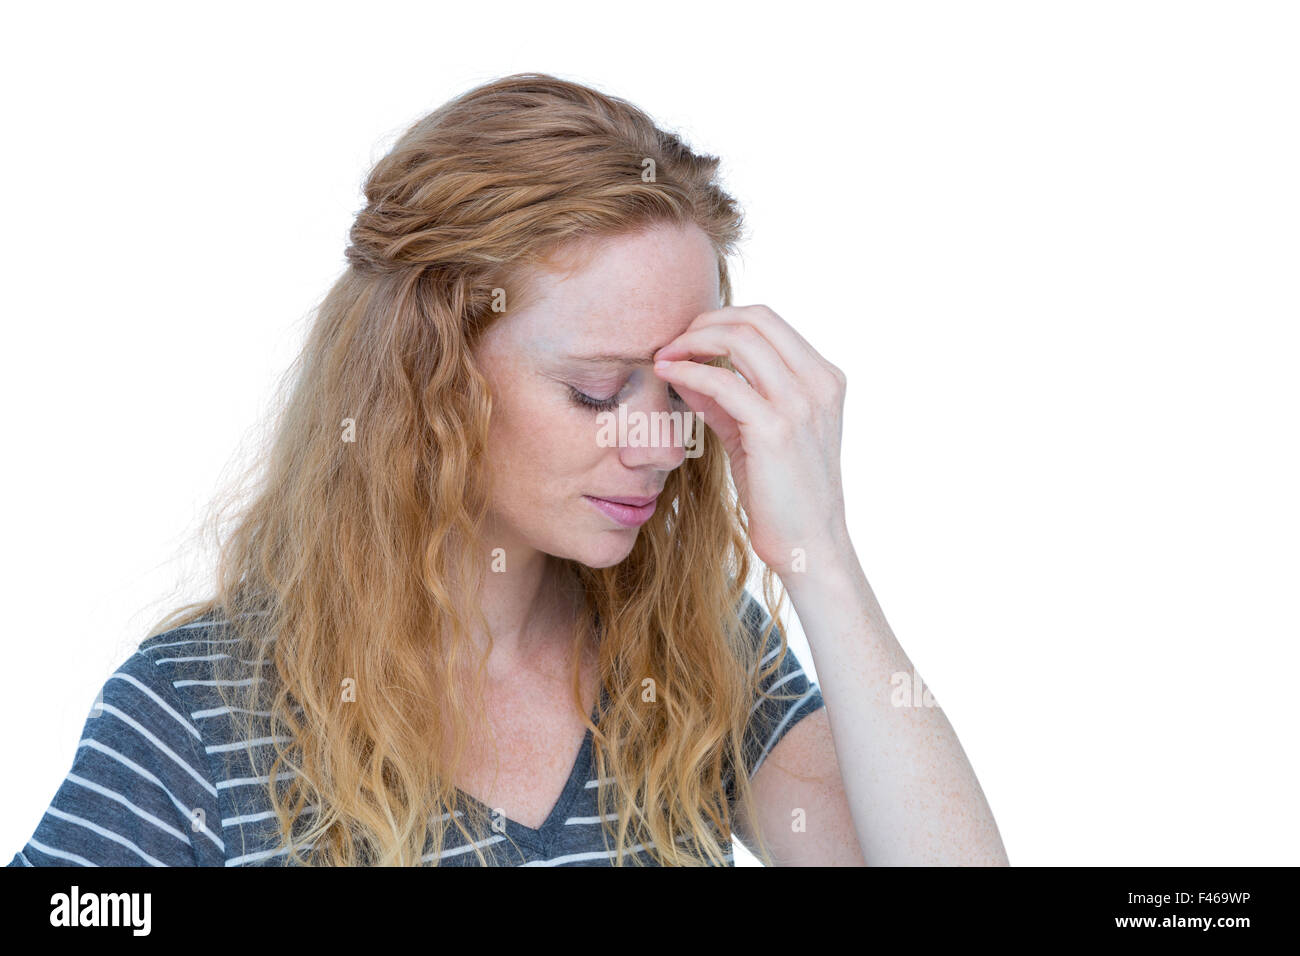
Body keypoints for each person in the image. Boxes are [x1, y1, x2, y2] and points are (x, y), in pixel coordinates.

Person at [9, 71, 864, 867]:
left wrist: (820, 555)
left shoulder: (691, 648)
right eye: (597, 392)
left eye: (681, 395)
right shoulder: (192, 717)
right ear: (430, 382)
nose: (660, 446)